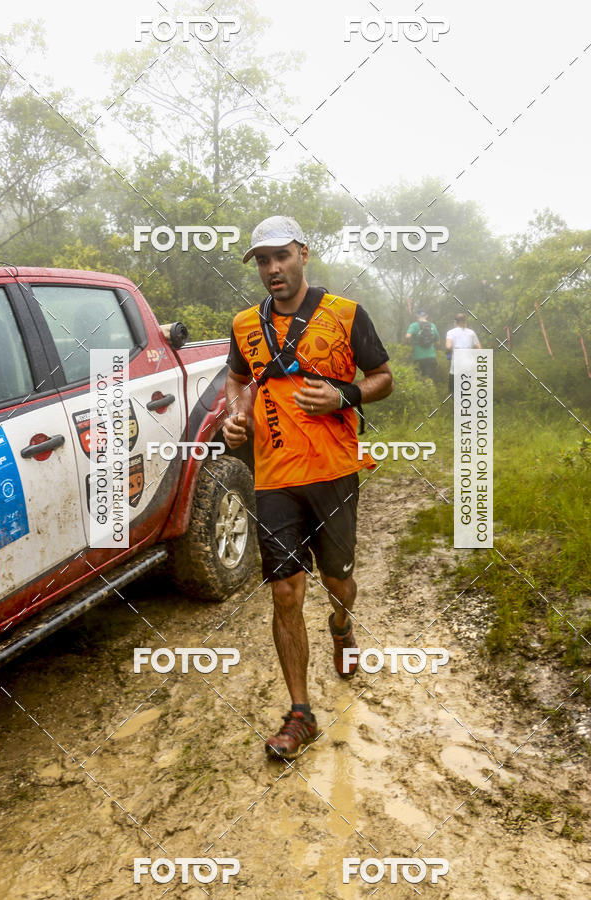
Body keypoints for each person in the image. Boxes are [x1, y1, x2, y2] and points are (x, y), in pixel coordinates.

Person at [222, 215, 393, 761]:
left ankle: (342, 625)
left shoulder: (345, 314)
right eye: (263, 261)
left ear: (303, 253)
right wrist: (235, 416)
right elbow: (237, 378)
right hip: (274, 479)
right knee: (284, 590)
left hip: (335, 471)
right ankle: (301, 713)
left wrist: (344, 397)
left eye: (281, 256)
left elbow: (383, 377)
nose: (273, 269)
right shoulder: (244, 323)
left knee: (338, 580)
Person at [446, 312, 481, 393]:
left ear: (455, 322)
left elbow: (448, 346)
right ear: (465, 322)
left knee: (453, 391)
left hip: (457, 366)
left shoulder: (451, 332)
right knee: (467, 391)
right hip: (470, 365)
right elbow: (479, 349)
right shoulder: (471, 333)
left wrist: (449, 353)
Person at [405, 310, 440, 379]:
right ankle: (430, 389)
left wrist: (410, 343)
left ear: (417, 316)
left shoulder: (414, 325)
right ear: (427, 316)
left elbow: (408, 336)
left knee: (418, 380)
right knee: (429, 380)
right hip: (431, 357)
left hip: (418, 357)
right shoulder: (432, 325)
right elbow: (438, 342)